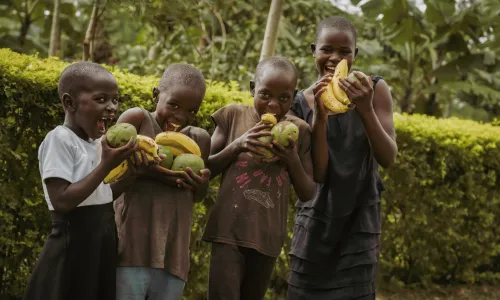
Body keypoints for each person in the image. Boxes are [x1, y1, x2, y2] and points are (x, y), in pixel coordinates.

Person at [286, 16, 398, 299]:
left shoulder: (374, 90)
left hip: (360, 222)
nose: (334, 58)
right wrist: (320, 119)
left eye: (344, 51)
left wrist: (365, 109)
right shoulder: (299, 103)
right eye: (326, 49)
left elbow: (388, 157)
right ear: (314, 50)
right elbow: (319, 174)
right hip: (315, 220)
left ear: (355, 55)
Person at [202, 56, 316, 300]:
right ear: (253, 88)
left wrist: (291, 159)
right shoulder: (233, 116)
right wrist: (237, 146)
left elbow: (308, 192)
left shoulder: (301, 132)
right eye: (265, 95)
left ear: (293, 95)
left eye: (284, 97)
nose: (273, 105)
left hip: (267, 236)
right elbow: (206, 169)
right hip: (227, 230)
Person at [23, 61, 137, 300]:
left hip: (100, 242)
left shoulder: (99, 144)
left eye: (115, 100)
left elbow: (100, 195)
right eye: (101, 99)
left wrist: (133, 175)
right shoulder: (60, 139)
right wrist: (106, 163)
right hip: (72, 244)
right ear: (70, 103)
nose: (111, 108)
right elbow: (62, 200)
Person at [112, 63, 212, 300]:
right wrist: (156, 173)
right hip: (131, 247)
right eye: (174, 105)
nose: (180, 116)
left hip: (173, 254)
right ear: (156, 95)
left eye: (191, 111)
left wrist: (200, 182)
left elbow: (198, 195)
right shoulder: (137, 120)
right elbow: (112, 173)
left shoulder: (198, 139)